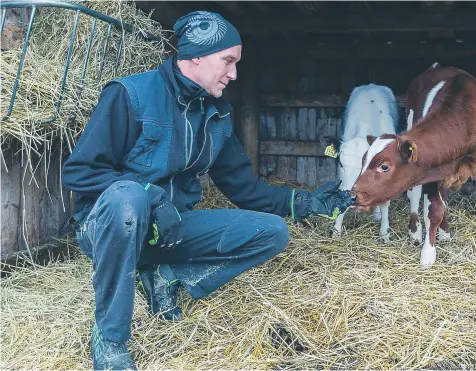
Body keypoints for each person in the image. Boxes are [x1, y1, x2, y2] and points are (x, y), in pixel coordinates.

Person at [62, 10, 352, 370]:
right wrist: (152, 197)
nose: (233, 74)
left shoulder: (216, 113)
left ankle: (168, 279)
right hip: (111, 232)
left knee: (272, 232)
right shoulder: (130, 95)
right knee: (129, 197)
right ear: (195, 55)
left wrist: (303, 202)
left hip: (169, 232)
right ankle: (110, 339)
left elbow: (243, 187)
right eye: (227, 61)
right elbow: (79, 171)